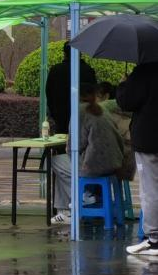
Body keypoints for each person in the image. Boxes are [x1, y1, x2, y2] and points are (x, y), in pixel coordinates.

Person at [51, 84, 124, 225]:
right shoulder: (102, 109)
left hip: (96, 165)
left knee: (56, 161)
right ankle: (77, 201)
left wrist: (69, 147)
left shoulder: (80, 111)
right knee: (72, 161)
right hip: (115, 161)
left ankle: (76, 203)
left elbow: (75, 146)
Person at [118, 60, 158, 255]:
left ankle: (154, 240)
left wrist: (124, 84)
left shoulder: (144, 70)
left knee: (150, 190)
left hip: (149, 139)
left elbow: (127, 102)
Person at [46, 41, 98, 135]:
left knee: (62, 141)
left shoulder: (55, 70)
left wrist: (54, 113)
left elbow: (49, 93)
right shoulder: (88, 70)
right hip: (83, 116)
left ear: (64, 54)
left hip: (60, 116)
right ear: (80, 53)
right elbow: (94, 93)